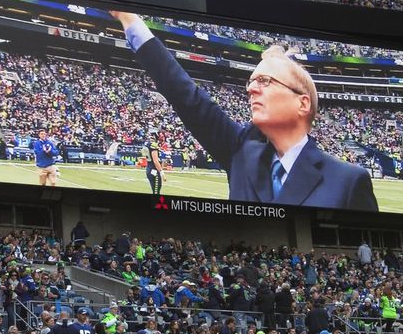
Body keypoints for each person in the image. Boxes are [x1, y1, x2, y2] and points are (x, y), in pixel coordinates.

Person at [111, 11, 377, 211]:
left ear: (302, 103)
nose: (251, 89)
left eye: (265, 81)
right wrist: (129, 18)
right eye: (250, 82)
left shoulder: (349, 181)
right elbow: (185, 95)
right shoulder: (240, 152)